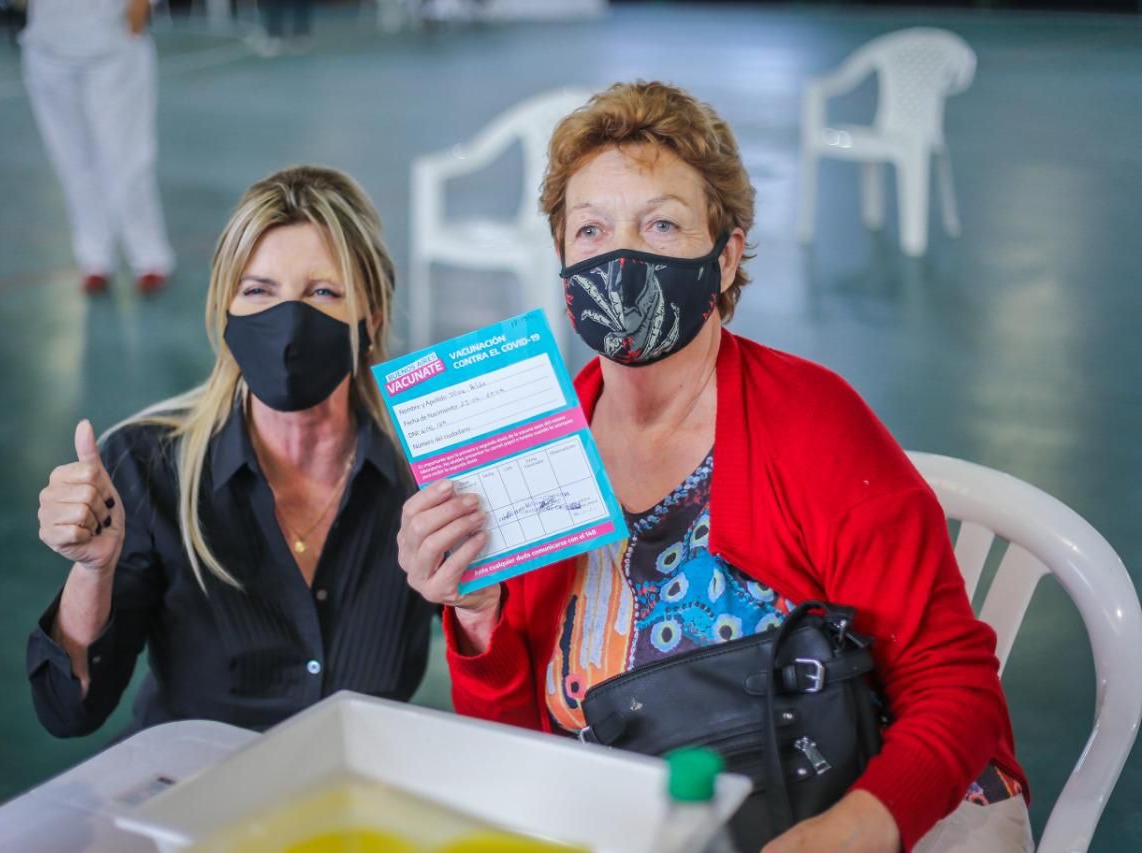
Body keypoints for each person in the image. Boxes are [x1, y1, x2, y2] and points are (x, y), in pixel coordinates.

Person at [397, 82, 1032, 852]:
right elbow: (520, 750)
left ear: (725, 257)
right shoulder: (530, 453)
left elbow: (953, 681)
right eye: (591, 229)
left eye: (661, 223)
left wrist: (850, 830)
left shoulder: (814, 423)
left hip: (860, 801)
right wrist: (477, 610)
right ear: (562, 260)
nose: (622, 258)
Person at [30, 166, 432, 736]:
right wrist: (93, 571)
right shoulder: (146, 466)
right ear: (227, 316)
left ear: (373, 320)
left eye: (323, 292)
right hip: (196, 783)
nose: (289, 322)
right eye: (258, 291)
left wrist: (476, 600)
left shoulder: (425, 470)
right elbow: (68, 711)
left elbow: (506, 661)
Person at [20, 0, 175, 295]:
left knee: (127, 160)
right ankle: (94, 258)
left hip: (113, 46)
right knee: (71, 161)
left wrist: (138, 14)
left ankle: (149, 256)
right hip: (48, 48)